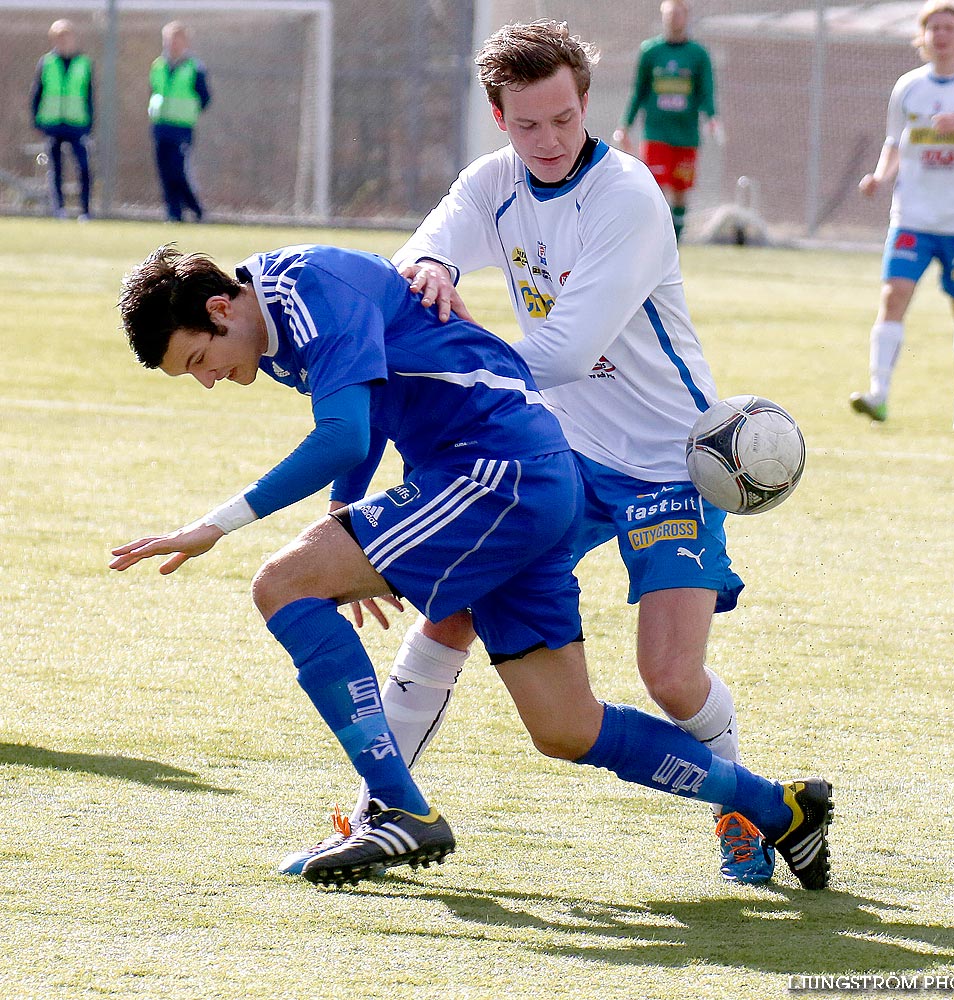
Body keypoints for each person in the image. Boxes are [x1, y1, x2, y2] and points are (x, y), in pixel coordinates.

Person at [108, 243, 834, 892]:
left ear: (219, 307)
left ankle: (396, 808)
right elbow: (359, 415)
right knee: (566, 727)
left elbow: (341, 433)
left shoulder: (310, 286)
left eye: (199, 360)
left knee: (281, 583)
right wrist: (343, 519)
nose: (207, 380)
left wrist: (214, 525)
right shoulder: (275, 326)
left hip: (494, 473)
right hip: (529, 478)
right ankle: (780, 808)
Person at [316, 19, 777, 888]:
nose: (550, 140)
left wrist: (453, 357)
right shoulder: (494, 183)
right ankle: (384, 808)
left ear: (586, 104)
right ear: (499, 118)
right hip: (562, 457)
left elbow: (563, 350)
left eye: (564, 119)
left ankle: (747, 811)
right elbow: (413, 260)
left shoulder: (628, 197)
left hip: (670, 461)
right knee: (447, 607)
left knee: (672, 678)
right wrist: (433, 272)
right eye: (528, 125)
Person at [850, 0, 954, 432]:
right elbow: (894, 142)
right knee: (893, 295)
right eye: (933, 28)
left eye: (949, 27)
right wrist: (879, 177)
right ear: (922, 38)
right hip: (912, 217)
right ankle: (878, 394)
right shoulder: (908, 86)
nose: (940, 35)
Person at [612, 0, 720, 242]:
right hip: (656, 133)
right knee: (654, 188)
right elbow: (638, 91)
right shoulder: (650, 51)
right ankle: (653, 241)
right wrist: (624, 124)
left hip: (686, 135)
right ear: (663, 17)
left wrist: (712, 117)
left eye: (679, 14)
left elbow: (706, 91)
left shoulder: (698, 54)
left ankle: (676, 243)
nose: (674, 19)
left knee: (681, 191)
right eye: (670, 14)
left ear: (687, 16)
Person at [30, 19, 94, 220]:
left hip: (77, 123)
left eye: (66, 37)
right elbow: (37, 93)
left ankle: (85, 210)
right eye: (59, 38)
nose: (63, 41)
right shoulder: (46, 62)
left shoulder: (84, 63)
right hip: (52, 123)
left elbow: (90, 96)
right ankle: (59, 209)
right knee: (55, 168)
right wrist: (37, 121)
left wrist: (89, 124)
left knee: (83, 167)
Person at [149, 21, 211, 222]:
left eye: (176, 40)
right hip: (161, 125)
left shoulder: (194, 67)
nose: (172, 44)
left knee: (179, 170)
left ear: (185, 42)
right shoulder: (158, 65)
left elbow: (205, 97)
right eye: (168, 40)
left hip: (182, 127)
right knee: (165, 171)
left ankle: (196, 209)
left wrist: (188, 111)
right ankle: (173, 213)